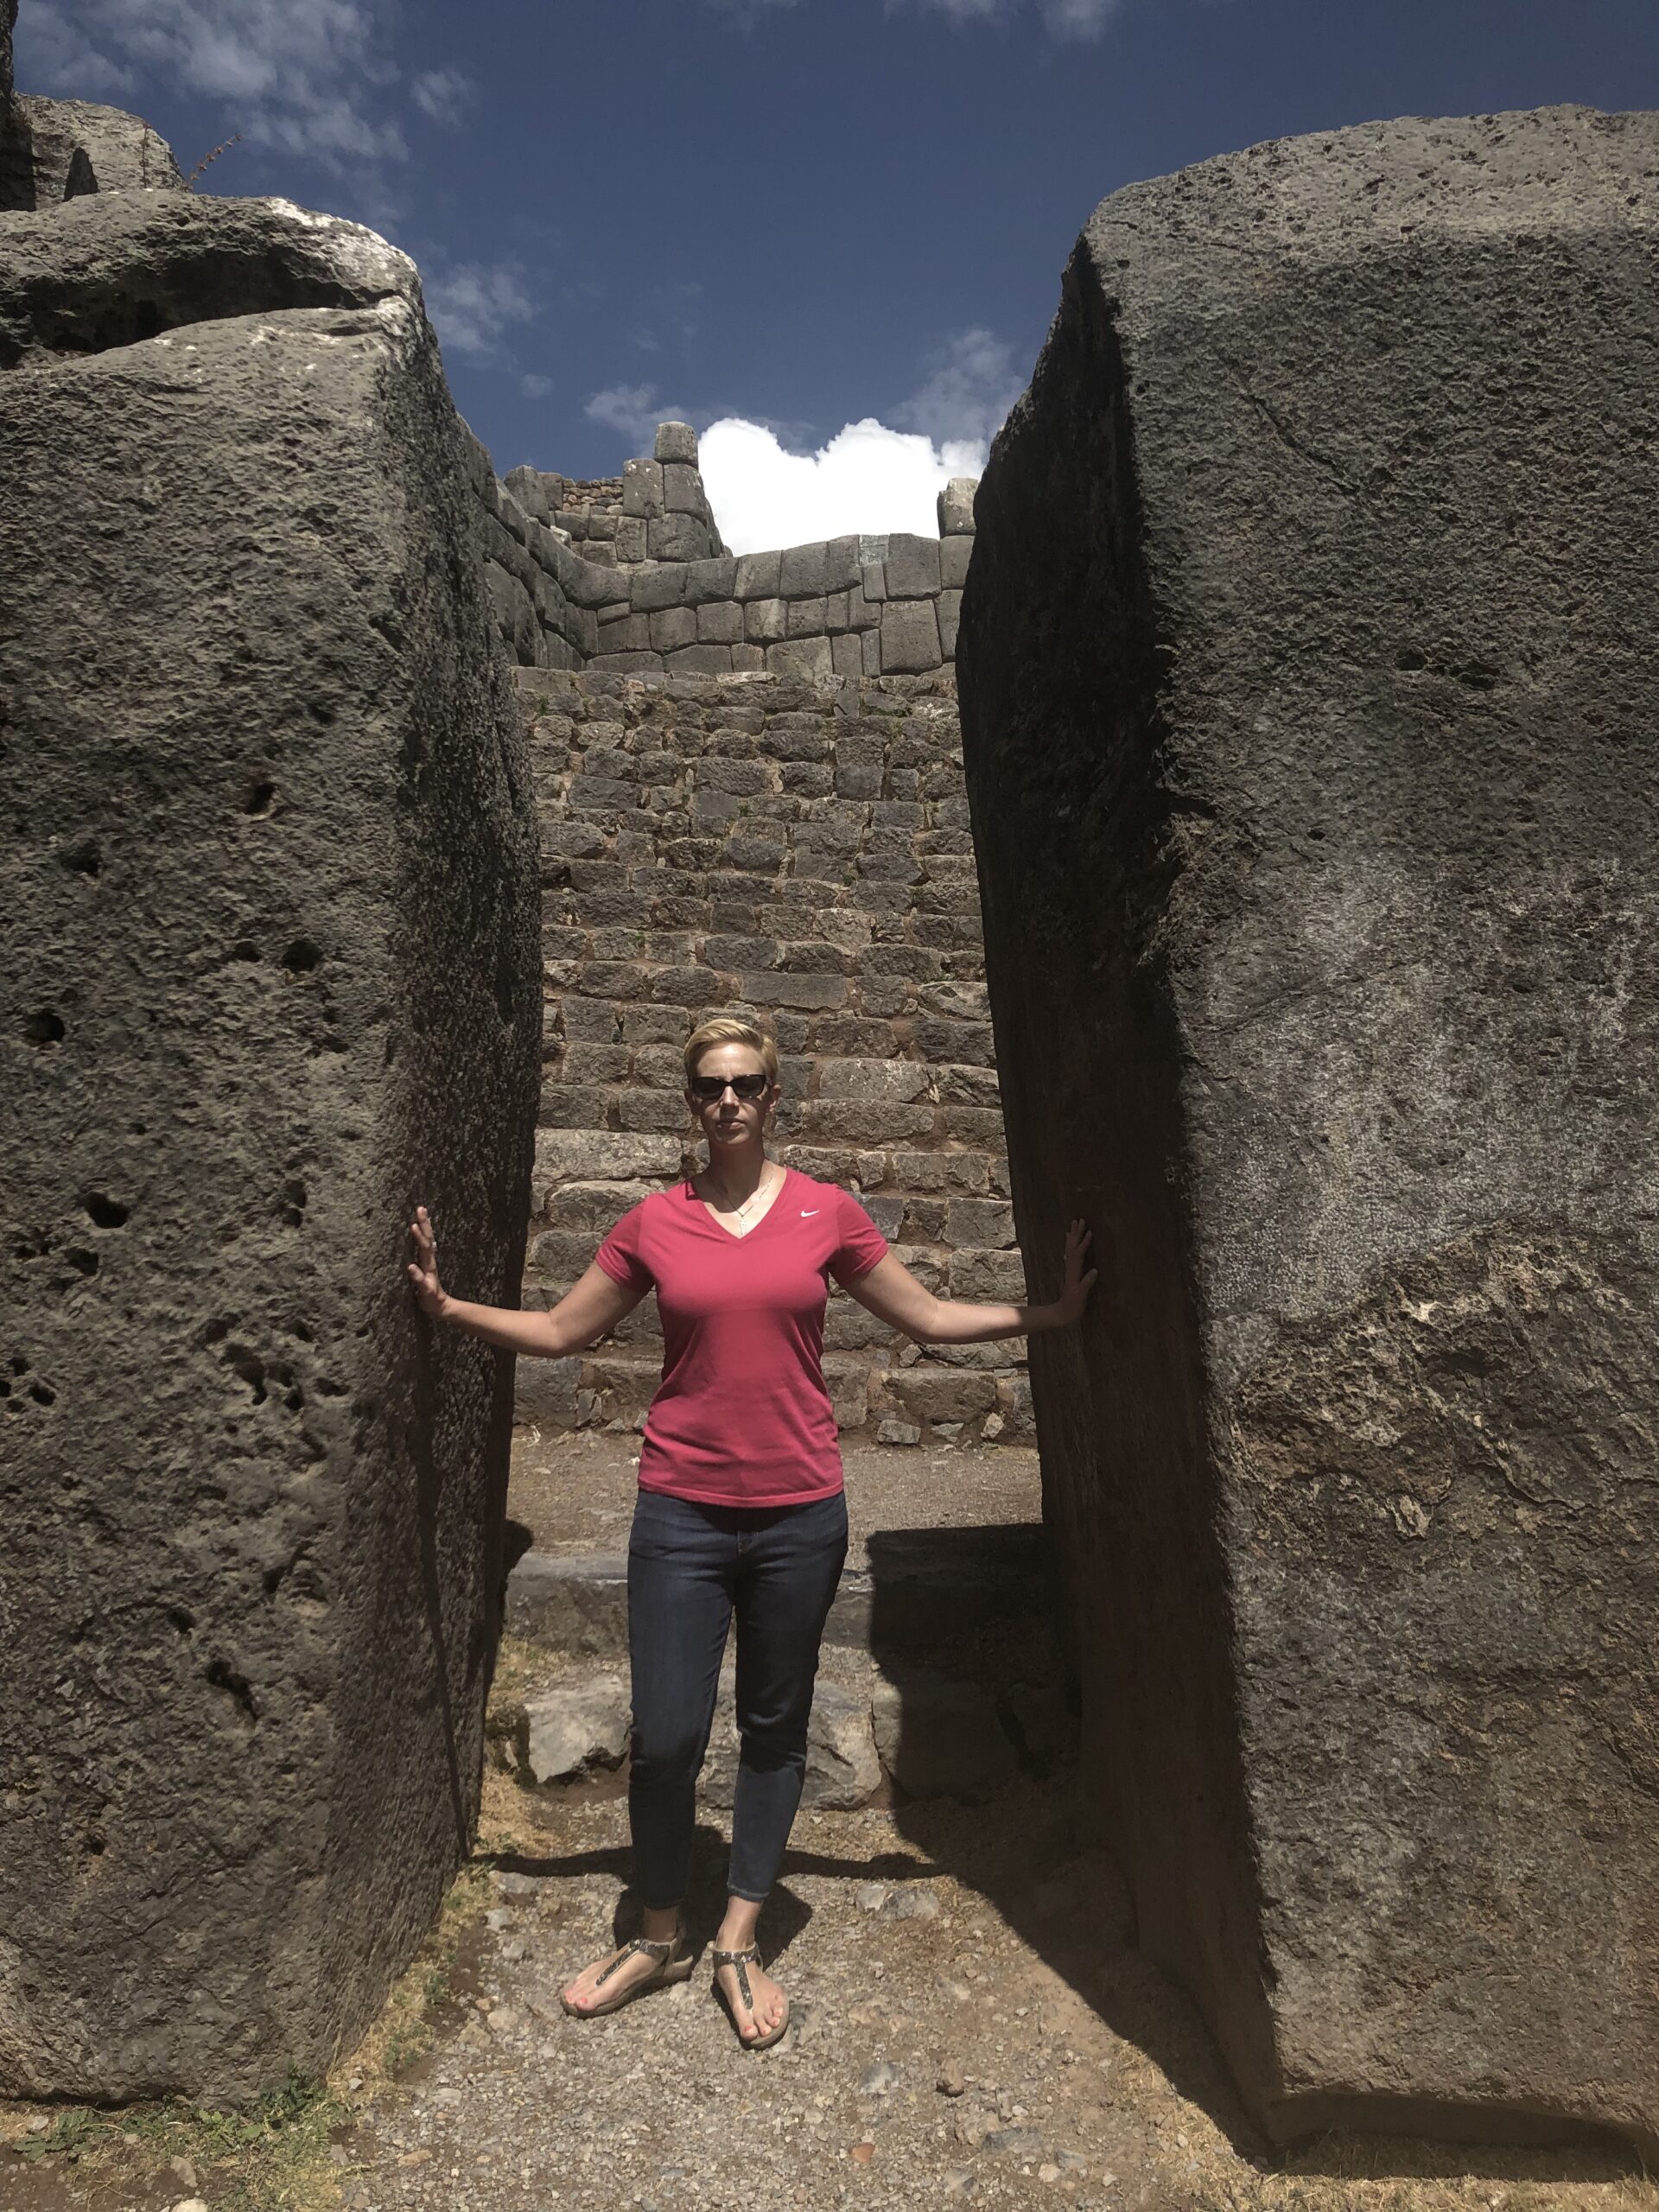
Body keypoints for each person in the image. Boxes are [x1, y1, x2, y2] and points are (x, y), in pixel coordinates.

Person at [406, 1012, 1095, 2050]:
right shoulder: (652, 1223)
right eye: (707, 1086)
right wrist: (450, 1307)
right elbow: (560, 1329)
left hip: (798, 1514)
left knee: (775, 1727)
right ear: (689, 1102)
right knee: (669, 1736)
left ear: (774, 1097)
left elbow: (930, 1318)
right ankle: (655, 1931)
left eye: (744, 1084)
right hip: (680, 1509)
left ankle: (736, 1934)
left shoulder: (826, 1212)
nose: (726, 1100)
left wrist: (1048, 1316)